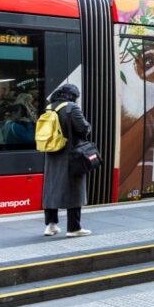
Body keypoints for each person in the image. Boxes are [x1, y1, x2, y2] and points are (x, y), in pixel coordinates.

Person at [41, 84, 92, 238]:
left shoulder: (50, 107)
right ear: (73, 95)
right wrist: (89, 126)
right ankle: (73, 228)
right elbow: (83, 128)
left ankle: (51, 226)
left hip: (52, 153)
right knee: (74, 190)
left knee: (51, 188)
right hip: (71, 154)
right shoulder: (71, 108)